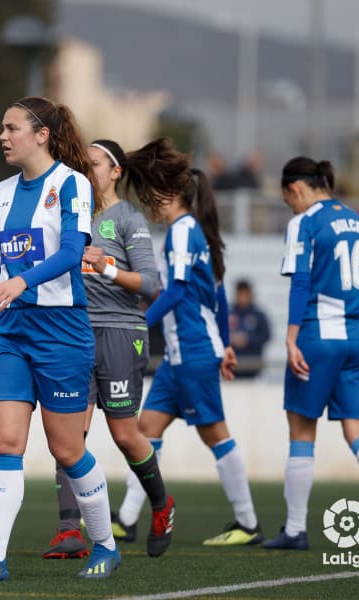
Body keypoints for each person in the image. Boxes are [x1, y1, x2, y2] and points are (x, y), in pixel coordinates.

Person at [0, 96, 120, 582]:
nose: (2, 136)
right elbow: (3, 257)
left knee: (67, 450)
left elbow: (71, 251)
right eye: (2, 128)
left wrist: (21, 280)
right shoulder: (1, 192)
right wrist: (2, 273)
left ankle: (106, 545)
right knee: (5, 443)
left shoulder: (72, 183)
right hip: (6, 329)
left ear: (42, 134)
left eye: (12, 128)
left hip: (60, 330)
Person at [114, 137, 264, 547]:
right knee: (144, 430)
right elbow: (217, 294)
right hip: (179, 358)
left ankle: (248, 523)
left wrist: (140, 324)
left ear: (171, 194)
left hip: (193, 354)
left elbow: (177, 292)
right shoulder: (192, 233)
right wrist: (227, 344)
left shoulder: (182, 232)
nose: (149, 203)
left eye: (152, 194)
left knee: (215, 435)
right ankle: (126, 518)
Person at [39, 139, 174, 560]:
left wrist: (107, 267)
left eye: (94, 164)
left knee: (125, 435)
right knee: (69, 433)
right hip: (74, 329)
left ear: (115, 172)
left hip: (119, 331)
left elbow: (150, 285)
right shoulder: (69, 213)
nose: (86, 170)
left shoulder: (128, 219)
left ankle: (161, 504)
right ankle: (69, 530)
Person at [263, 157, 359, 552]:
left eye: (289, 200)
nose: (291, 207)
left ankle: (295, 529)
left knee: (301, 432)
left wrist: (291, 339)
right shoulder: (357, 219)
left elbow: (300, 282)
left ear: (296, 189)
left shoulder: (303, 222)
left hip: (318, 336)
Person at [228, 279, 271, 378]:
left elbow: (266, 336)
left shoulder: (259, 315)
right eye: (240, 295)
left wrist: (247, 339)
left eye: (245, 295)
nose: (243, 298)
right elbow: (218, 336)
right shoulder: (228, 314)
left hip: (253, 367)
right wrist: (231, 339)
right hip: (231, 367)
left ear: (250, 295)